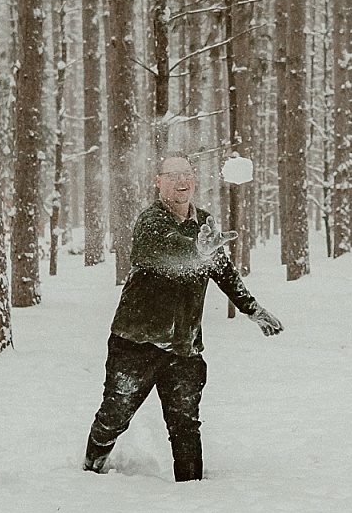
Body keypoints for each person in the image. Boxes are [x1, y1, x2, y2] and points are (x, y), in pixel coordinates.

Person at [82, 153, 283, 480]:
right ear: (158, 181)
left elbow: (224, 273)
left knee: (185, 425)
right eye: (172, 175)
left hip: (183, 347)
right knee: (114, 416)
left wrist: (252, 309)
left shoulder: (204, 225)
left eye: (186, 174)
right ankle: (90, 470)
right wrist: (198, 253)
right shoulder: (150, 223)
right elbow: (170, 254)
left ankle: (192, 497)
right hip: (136, 345)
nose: (181, 181)